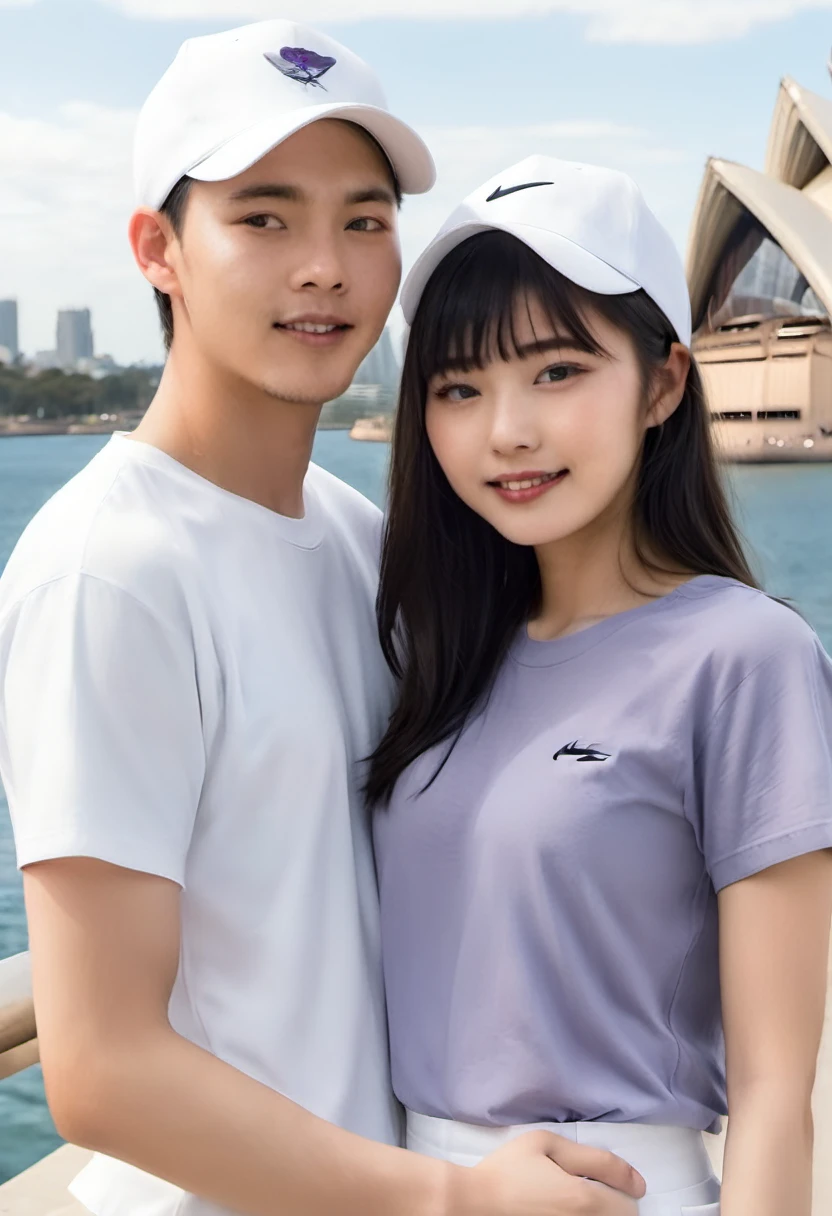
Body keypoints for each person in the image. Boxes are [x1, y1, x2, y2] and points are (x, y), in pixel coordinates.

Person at [0, 23, 645, 1216]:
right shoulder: (108, 569)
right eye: (264, 217)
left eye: (363, 219)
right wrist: (452, 1199)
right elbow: (97, 1068)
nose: (326, 267)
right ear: (158, 250)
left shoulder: (355, 536)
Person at [369, 154, 832, 1215]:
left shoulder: (743, 656)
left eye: (556, 371)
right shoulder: (434, 648)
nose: (506, 430)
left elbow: (772, 1093)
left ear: (663, 382)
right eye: (458, 387)